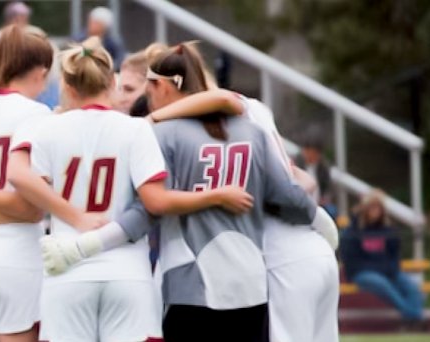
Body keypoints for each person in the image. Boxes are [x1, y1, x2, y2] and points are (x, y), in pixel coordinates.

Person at [141, 44, 341, 342]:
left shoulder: (164, 132)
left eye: (147, 88)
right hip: (265, 270)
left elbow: (147, 206)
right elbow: (293, 187)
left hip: (209, 274)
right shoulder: (252, 123)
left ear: (164, 86)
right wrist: (321, 220)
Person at [342, 190, 421, 329]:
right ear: (365, 209)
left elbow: (394, 257)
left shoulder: (389, 230)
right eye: (372, 207)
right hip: (362, 274)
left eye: (378, 207)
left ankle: (413, 320)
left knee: (412, 287)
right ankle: (412, 317)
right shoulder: (352, 232)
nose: (375, 211)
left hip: (387, 272)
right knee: (382, 284)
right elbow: (352, 261)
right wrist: (381, 269)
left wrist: (388, 270)